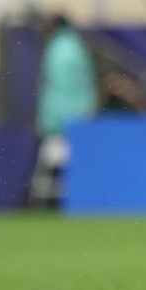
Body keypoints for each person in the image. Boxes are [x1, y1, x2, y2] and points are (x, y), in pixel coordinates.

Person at [30, 15, 97, 208]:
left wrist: (48, 120)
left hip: (60, 119)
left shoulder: (57, 49)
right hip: (80, 115)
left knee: (52, 162)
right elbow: (85, 83)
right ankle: (75, 200)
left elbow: (55, 89)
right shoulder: (78, 47)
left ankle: (43, 203)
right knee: (75, 163)